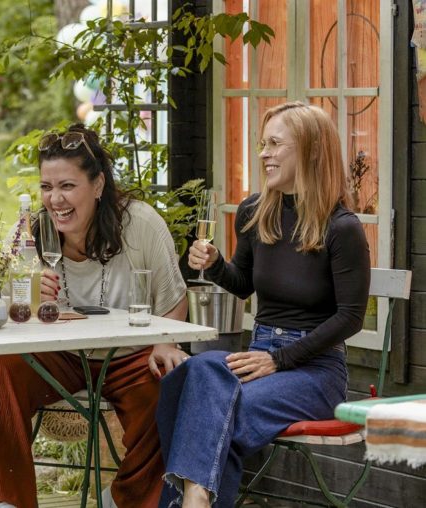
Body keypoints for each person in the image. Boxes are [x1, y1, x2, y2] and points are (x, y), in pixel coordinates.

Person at [0, 124, 189, 508]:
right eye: (46, 187)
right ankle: (6, 500)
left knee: (163, 387)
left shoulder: (141, 224)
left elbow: (173, 297)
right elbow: (7, 309)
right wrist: (29, 299)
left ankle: (124, 500)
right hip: (61, 354)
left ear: (98, 185)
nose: (55, 199)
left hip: (128, 353)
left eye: (67, 186)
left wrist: (165, 342)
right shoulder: (33, 232)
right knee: (2, 366)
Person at [157, 101, 371, 507]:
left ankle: (193, 499)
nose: (263, 153)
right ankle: (197, 496)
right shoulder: (255, 211)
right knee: (187, 377)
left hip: (314, 369)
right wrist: (217, 265)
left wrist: (280, 359)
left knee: (215, 412)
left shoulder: (342, 228)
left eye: (275, 144)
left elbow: (351, 317)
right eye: (262, 143)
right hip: (258, 355)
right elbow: (241, 285)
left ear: (309, 150)